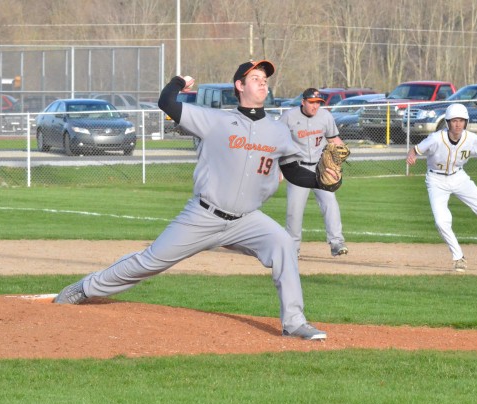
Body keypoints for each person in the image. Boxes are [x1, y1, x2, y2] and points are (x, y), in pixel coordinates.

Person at [53, 60, 342, 340]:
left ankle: (294, 323)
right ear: (239, 86)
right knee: (149, 261)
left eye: (265, 78)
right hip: (203, 215)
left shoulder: (279, 131)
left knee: (283, 245)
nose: (262, 82)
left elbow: (292, 171)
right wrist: (178, 82)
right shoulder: (214, 120)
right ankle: (85, 288)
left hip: (247, 220)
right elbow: (167, 104)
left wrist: (320, 181)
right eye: (255, 78)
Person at [406, 103, 477, 272]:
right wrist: (411, 156)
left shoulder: (471, 138)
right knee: (441, 221)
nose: (458, 124)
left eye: (461, 120)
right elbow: (415, 150)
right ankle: (459, 257)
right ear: (447, 122)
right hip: (436, 180)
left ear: (466, 122)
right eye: (454, 120)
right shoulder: (436, 138)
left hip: (459, 177)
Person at [279, 88, 348, 258]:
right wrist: (278, 168)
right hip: (297, 169)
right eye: (311, 102)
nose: (315, 106)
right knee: (294, 210)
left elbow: (334, 139)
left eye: (318, 102)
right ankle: (292, 249)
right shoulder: (288, 117)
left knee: (330, 203)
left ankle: (336, 243)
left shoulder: (325, 117)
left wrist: (342, 155)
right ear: (303, 101)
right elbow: (277, 143)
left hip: (320, 168)